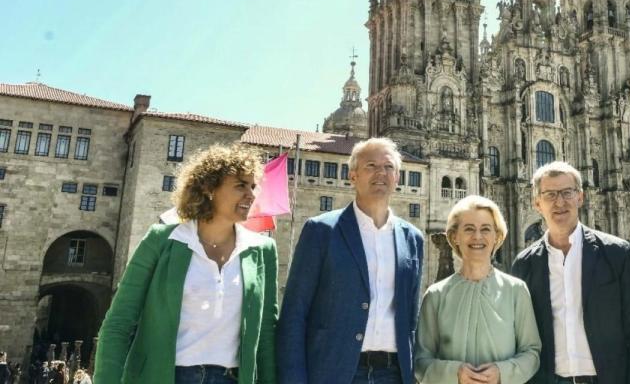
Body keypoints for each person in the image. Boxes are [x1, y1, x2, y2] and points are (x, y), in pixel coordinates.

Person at [94, 143, 278, 384]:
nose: (251, 194)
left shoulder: (262, 250)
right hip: (166, 377)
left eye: (253, 186)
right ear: (209, 188)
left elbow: (266, 335)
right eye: (240, 185)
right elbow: (119, 323)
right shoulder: (160, 241)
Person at [278, 137, 424, 384]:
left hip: (393, 373)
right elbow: (294, 313)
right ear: (353, 176)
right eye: (371, 166)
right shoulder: (321, 230)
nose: (381, 172)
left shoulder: (413, 239)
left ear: (397, 177)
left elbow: (411, 317)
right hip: (334, 371)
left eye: (388, 167)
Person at [511, 161, 630, 383]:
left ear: (580, 197)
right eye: (550, 195)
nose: (560, 202)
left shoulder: (617, 253)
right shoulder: (524, 264)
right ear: (537, 203)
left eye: (567, 192)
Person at [415, 195, 541, 384]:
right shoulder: (435, 295)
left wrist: (502, 372)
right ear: (454, 237)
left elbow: (532, 353)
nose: (477, 237)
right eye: (468, 229)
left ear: (497, 236)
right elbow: (420, 362)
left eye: (485, 229)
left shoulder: (516, 290)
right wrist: (454, 373)